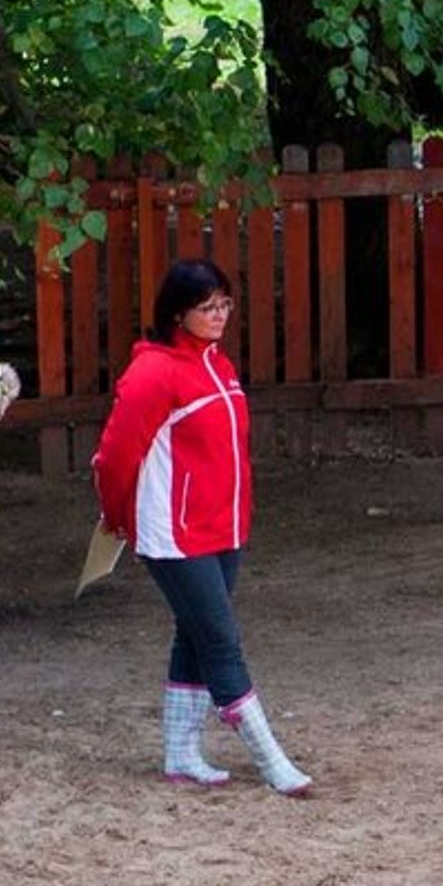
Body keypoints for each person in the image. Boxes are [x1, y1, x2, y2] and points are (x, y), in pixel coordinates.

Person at [91, 258, 312, 796]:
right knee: (220, 640)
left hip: (222, 525)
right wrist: (118, 516)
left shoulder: (219, 364)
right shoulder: (153, 373)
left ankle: (180, 753)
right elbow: (114, 457)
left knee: (194, 633)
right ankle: (270, 758)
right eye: (207, 307)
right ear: (177, 313)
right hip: (173, 530)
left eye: (224, 305)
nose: (219, 316)